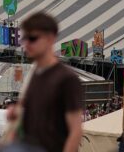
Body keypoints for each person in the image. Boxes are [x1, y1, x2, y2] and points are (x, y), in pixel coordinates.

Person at [7, 12, 83, 152]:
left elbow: (76, 131)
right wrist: (16, 113)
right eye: (25, 38)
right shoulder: (33, 73)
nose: (26, 44)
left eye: (33, 38)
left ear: (50, 39)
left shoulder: (67, 79)